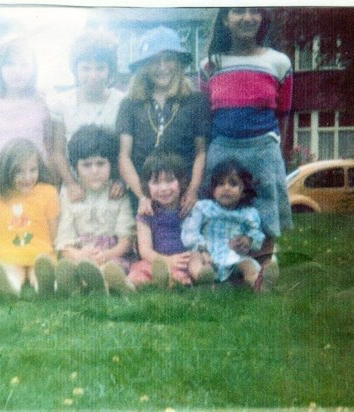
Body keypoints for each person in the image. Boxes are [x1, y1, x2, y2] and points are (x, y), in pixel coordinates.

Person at [200, 8, 293, 270]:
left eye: (255, 11)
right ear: (226, 20)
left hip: (263, 148)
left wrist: (273, 146)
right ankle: (219, 264)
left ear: (263, 19)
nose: (247, 18)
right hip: (222, 147)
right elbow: (205, 114)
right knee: (216, 204)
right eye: (238, 11)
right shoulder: (209, 65)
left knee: (265, 205)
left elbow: (284, 113)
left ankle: (263, 267)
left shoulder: (279, 62)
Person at [117, 26, 211, 218]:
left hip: (182, 194)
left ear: (178, 62)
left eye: (168, 59)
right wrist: (142, 196)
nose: (162, 67)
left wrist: (192, 190)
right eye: (154, 61)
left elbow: (201, 151)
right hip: (144, 194)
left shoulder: (195, 100)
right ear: (144, 66)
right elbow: (124, 156)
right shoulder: (130, 103)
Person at [0, 35, 55, 230]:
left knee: (36, 250)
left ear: (33, 69)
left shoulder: (44, 103)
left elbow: (50, 152)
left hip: (35, 187)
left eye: (24, 64)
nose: (17, 71)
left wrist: (53, 195)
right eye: (10, 64)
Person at [0, 138, 60, 298]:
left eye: (33, 170)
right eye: (19, 171)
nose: (28, 177)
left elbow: (54, 230)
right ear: (6, 170)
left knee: (40, 270)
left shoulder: (48, 192)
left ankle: (46, 284)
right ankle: (9, 286)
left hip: (41, 255)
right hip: (10, 256)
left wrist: (58, 254)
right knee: (12, 272)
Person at [54, 125, 135, 296]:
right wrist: (78, 255)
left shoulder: (118, 192)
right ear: (75, 167)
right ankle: (83, 282)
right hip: (80, 254)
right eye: (86, 165)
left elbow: (126, 241)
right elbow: (64, 241)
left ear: (111, 164)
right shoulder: (69, 194)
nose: (95, 171)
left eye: (100, 163)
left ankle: (107, 282)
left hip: (111, 255)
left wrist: (105, 255)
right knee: (71, 265)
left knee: (111, 268)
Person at [49, 29, 125, 203]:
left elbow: (125, 149)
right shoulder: (62, 104)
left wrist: (121, 180)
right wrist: (70, 184)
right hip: (76, 190)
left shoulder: (121, 102)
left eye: (100, 68)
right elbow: (58, 152)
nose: (93, 75)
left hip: (112, 191)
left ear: (110, 70)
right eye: (85, 68)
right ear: (75, 69)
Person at [128, 151, 215, 289]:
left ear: (181, 182)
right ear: (147, 186)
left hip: (185, 260)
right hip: (156, 261)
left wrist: (204, 253)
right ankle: (128, 285)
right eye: (156, 182)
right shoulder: (146, 213)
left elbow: (205, 235)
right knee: (139, 271)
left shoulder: (190, 208)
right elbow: (145, 250)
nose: (164, 188)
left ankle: (202, 279)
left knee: (194, 262)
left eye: (170, 180)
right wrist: (166, 261)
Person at [181, 159, 265, 290]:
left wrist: (248, 240)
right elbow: (191, 231)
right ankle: (204, 279)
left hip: (234, 257)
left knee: (248, 265)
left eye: (233, 184)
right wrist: (202, 249)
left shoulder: (248, 213)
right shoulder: (204, 208)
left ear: (243, 190)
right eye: (220, 184)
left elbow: (257, 234)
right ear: (213, 190)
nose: (226, 188)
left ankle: (258, 283)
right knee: (194, 258)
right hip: (206, 255)